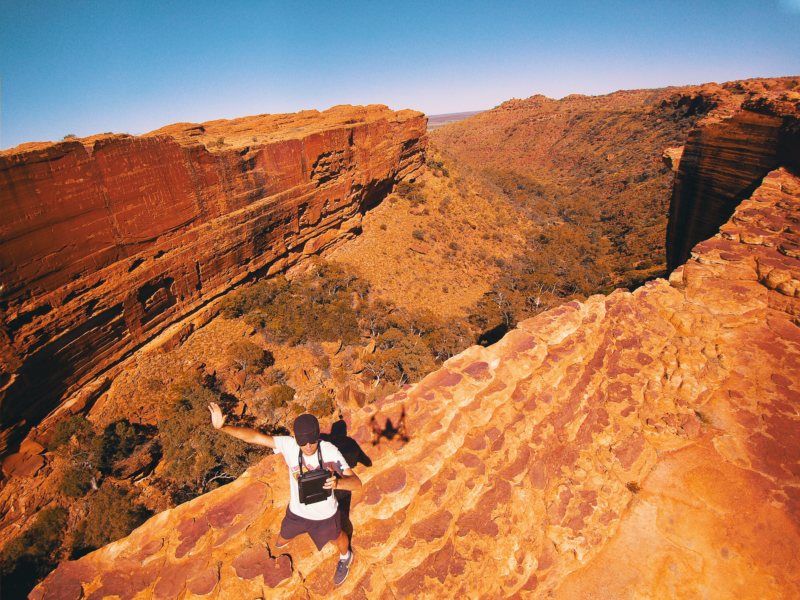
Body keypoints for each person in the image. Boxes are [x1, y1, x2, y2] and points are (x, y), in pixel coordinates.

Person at [208, 402, 361, 586]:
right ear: (296, 439)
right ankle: (283, 540)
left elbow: (356, 483)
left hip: (325, 515)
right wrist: (224, 427)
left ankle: (345, 556)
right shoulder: (289, 445)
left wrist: (338, 482)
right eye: (303, 442)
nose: (309, 447)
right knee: (285, 533)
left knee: (337, 538)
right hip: (297, 511)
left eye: (312, 441)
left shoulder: (329, 451)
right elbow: (254, 437)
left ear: (318, 436)